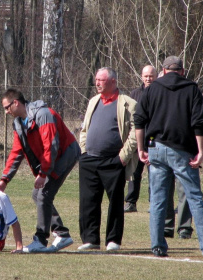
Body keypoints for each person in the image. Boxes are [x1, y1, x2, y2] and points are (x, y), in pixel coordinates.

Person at [134, 55, 203, 257]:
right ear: (182, 71)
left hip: (155, 147)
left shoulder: (152, 88)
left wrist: (141, 148)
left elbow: (139, 120)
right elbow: (199, 122)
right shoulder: (191, 89)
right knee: (195, 198)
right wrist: (201, 152)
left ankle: (157, 245)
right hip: (182, 150)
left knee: (158, 199)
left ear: (163, 71)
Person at [0, 88, 80, 253]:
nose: (6, 112)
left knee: (43, 194)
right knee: (38, 195)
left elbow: (51, 145)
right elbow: (16, 152)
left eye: (7, 107)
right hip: (53, 158)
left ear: (16, 103)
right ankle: (61, 233)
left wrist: (43, 174)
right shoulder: (18, 123)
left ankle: (40, 239)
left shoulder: (43, 114)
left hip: (65, 155)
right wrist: (4, 179)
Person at [78, 67, 138, 251]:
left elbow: (136, 132)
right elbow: (85, 128)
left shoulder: (128, 104)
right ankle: (90, 240)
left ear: (113, 81)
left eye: (101, 80)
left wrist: (122, 157)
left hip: (113, 162)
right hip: (90, 160)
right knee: (88, 202)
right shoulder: (93, 101)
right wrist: (83, 151)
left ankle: (113, 240)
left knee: (115, 203)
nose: (97, 83)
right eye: (96, 79)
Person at [124, 65, 157, 213]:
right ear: (141, 77)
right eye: (146, 76)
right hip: (137, 138)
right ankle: (131, 202)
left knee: (154, 172)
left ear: (155, 76)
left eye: (151, 76)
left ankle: (154, 203)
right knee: (134, 172)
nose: (148, 78)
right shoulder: (135, 94)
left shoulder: (160, 92)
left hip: (154, 138)